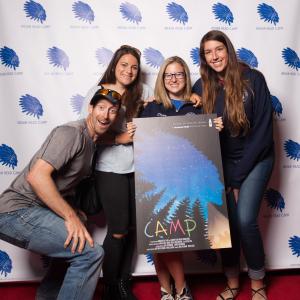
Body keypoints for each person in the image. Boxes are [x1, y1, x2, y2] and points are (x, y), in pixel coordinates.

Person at [0, 88, 122, 300]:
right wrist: (70, 216)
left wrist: (76, 213)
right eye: (101, 108)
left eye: (112, 111)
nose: (105, 115)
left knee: (71, 247)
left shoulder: (92, 141)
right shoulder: (71, 133)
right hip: (17, 211)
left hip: (33, 211)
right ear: (90, 108)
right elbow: (37, 177)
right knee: (90, 254)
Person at [192, 30, 274, 300]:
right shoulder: (201, 86)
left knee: (246, 219)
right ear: (203, 57)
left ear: (228, 49)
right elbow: (183, 120)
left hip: (257, 157)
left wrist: (236, 179)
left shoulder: (254, 79)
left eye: (219, 49)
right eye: (208, 52)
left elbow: (263, 133)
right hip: (220, 161)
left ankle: (258, 282)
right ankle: (232, 281)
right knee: (220, 223)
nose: (215, 56)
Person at [139, 56, 223, 300]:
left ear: (186, 78)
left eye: (179, 74)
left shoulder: (198, 106)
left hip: (185, 183)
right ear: (162, 79)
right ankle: (167, 290)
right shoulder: (151, 108)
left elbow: (205, 148)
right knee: (155, 237)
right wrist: (134, 131)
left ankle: (181, 288)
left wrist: (214, 129)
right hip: (156, 181)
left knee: (172, 238)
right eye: (168, 75)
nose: (174, 79)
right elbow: (143, 146)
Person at [80, 45, 152, 300]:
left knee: (133, 228)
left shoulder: (142, 92)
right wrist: (119, 139)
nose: (129, 71)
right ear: (114, 65)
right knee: (119, 229)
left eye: (134, 67)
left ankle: (124, 282)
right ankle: (110, 286)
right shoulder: (98, 93)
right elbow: (87, 135)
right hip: (110, 169)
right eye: (124, 65)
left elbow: (167, 102)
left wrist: (192, 98)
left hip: (140, 168)